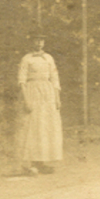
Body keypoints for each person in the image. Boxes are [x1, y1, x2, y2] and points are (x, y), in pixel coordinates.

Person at [17, 35, 63, 174]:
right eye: (36, 40)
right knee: (33, 127)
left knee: (46, 127)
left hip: (48, 93)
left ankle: (42, 162)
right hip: (33, 92)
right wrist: (26, 100)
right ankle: (30, 163)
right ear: (31, 42)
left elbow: (54, 78)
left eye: (41, 40)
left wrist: (57, 98)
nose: (39, 43)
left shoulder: (49, 58)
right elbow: (22, 81)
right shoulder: (27, 59)